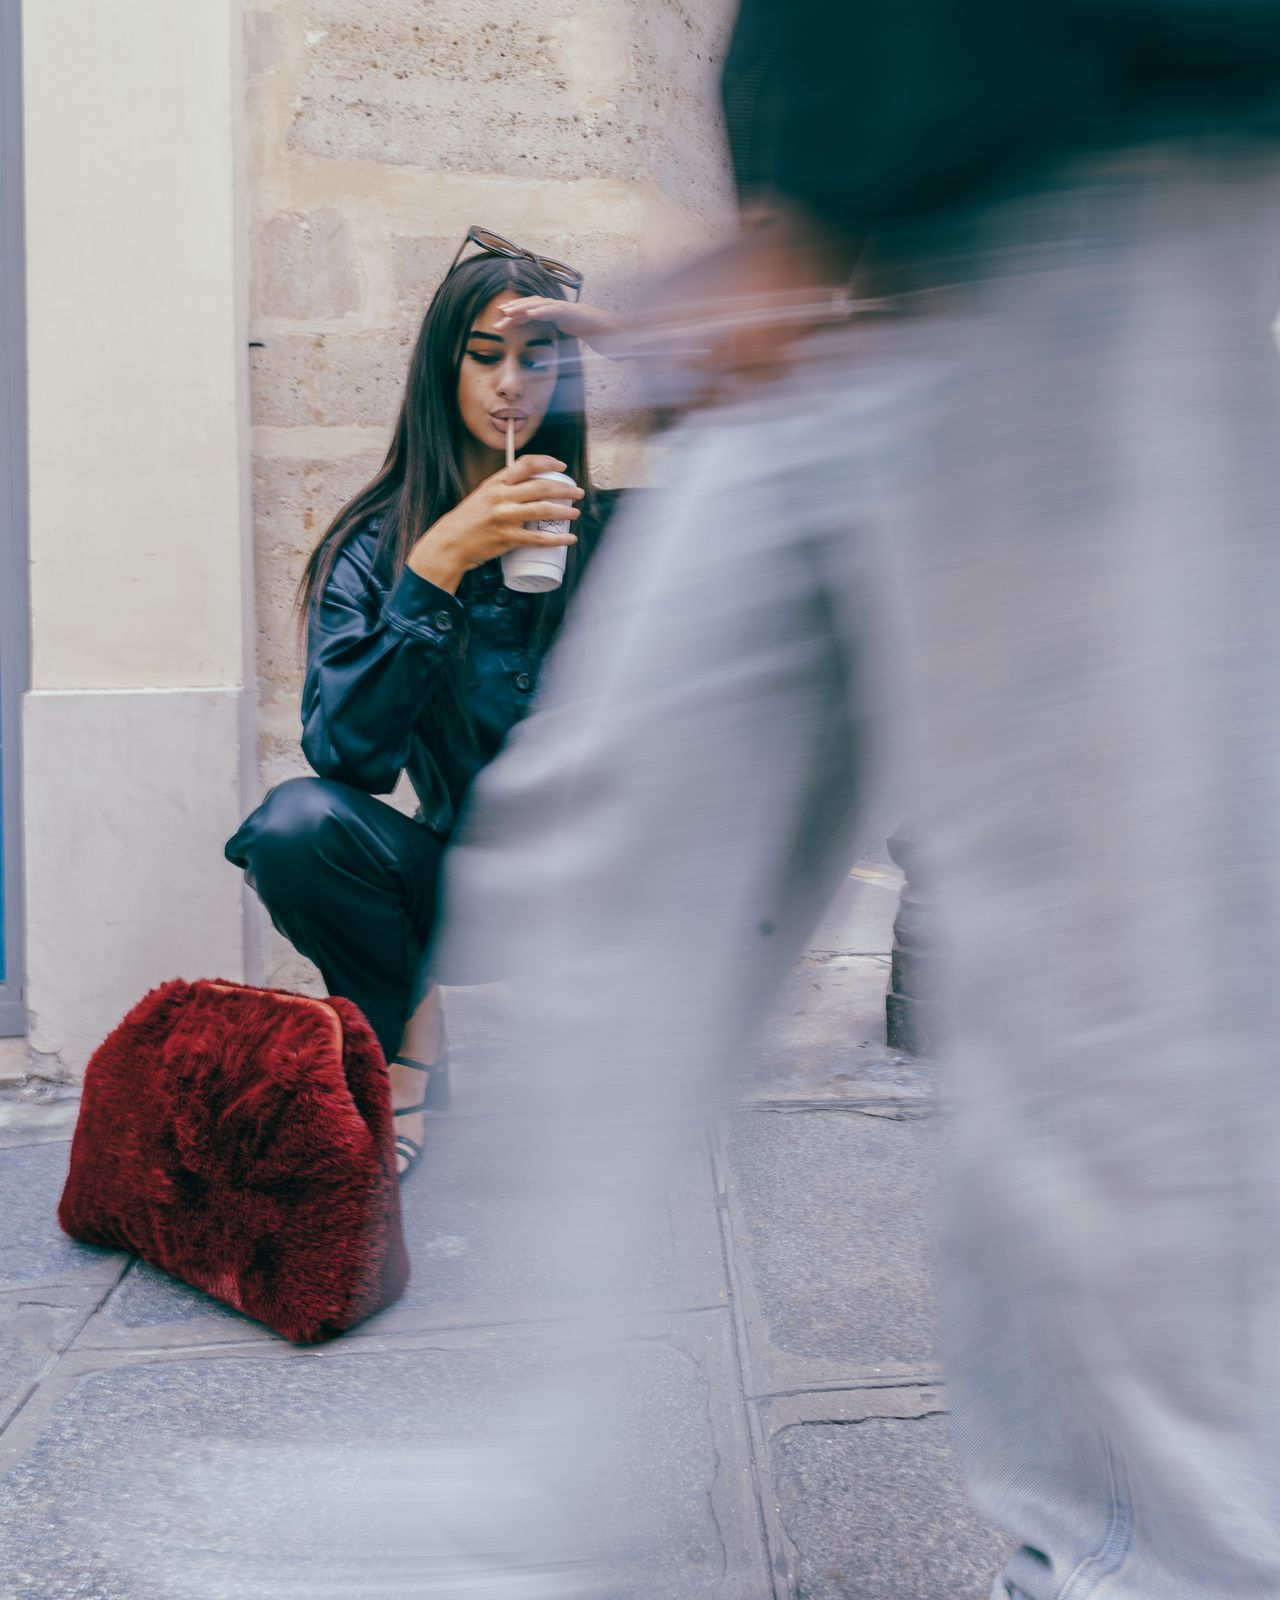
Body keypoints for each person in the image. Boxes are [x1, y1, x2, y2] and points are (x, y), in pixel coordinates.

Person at [432, 5, 1280, 1595]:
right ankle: (533, 1505)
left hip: (1083, 184)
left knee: (1095, 1002)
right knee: (611, 846)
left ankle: (1154, 1560)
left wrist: (857, 177)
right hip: (858, 231)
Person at [225, 235, 625, 1177]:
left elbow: (773, 453)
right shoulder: (377, 548)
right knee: (296, 826)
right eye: (484, 356)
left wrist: (626, 340)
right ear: (443, 369)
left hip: (620, 876)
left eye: (538, 360)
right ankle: (411, 1045)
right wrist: (437, 564)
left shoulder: (618, 529)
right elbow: (349, 761)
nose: (510, 385)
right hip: (468, 890)